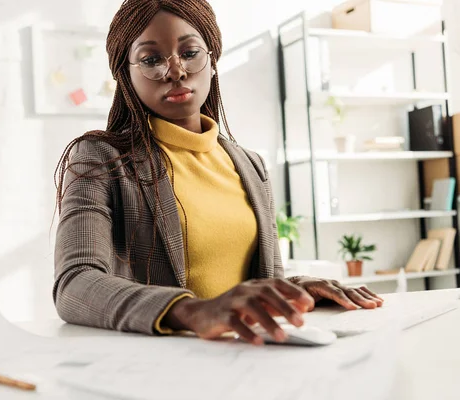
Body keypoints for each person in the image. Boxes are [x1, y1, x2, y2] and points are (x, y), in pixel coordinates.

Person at [53, 0, 383, 344]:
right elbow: (74, 283)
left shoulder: (251, 166)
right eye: (151, 60)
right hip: (158, 371)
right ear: (126, 75)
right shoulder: (100, 159)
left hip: (248, 362)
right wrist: (193, 311)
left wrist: (296, 289)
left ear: (212, 61)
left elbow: (247, 286)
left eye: (190, 52)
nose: (176, 70)